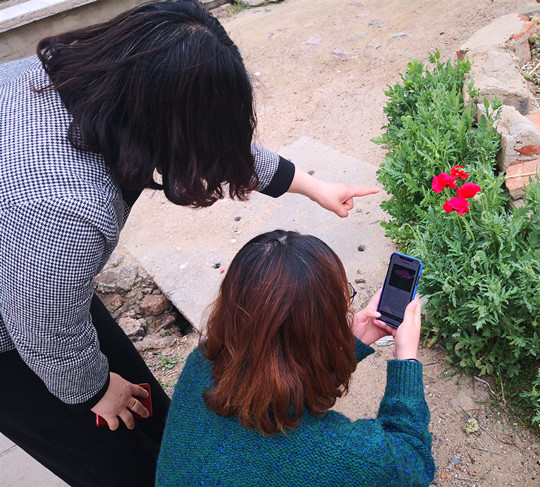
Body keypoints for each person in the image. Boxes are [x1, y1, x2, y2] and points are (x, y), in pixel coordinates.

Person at [0, 1, 378, 486]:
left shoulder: (72, 75)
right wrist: (92, 392)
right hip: (12, 336)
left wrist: (312, 186)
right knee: (115, 459)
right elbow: (40, 329)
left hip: (33, 281)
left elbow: (206, 138)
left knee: (152, 415)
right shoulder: (67, 208)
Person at [156, 230, 436, 487]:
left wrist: (350, 345)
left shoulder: (200, 363)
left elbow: (276, 367)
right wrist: (406, 362)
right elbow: (412, 462)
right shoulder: (341, 455)